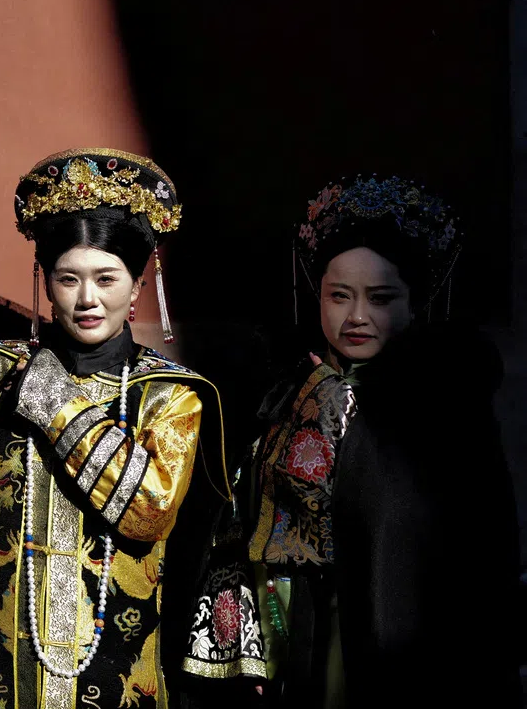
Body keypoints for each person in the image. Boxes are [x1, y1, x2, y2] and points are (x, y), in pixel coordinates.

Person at [0, 149, 234, 709]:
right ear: (46, 283)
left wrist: (56, 403)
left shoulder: (170, 396)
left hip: (116, 667)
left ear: (138, 285)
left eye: (107, 279)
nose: (88, 299)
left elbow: (149, 510)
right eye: (69, 279)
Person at [201, 175, 519, 707]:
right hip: (291, 630)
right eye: (339, 296)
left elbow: (480, 552)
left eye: (381, 298)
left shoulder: (446, 404)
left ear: (414, 304)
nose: (357, 317)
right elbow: (238, 522)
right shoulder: (283, 394)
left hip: (400, 646)